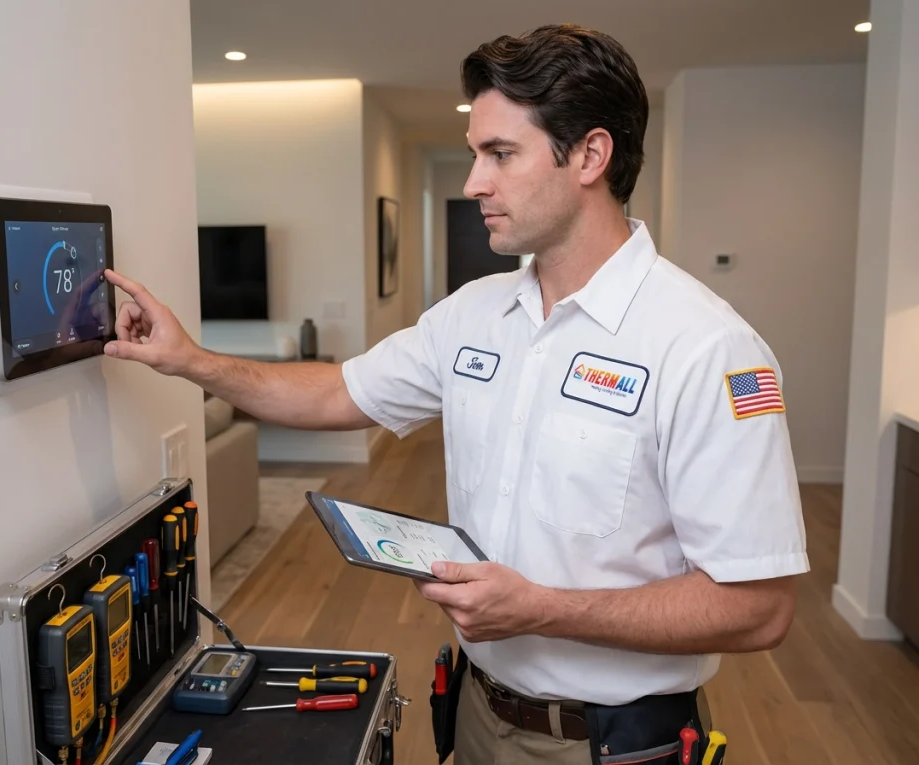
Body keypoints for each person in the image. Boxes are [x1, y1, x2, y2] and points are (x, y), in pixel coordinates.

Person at [102, 23, 808, 765]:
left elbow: (758, 606)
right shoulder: (475, 313)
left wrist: (542, 609)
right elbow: (337, 393)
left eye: (500, 154)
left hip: (609, 741)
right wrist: (190, 360)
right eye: (476, 153)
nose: (474, 181)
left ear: (591, 156)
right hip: (472, 710)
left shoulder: (704, 346)